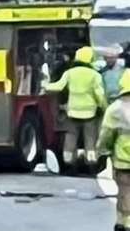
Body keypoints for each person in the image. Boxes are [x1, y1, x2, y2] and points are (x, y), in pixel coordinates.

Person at [45, 45, 108, 173]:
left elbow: (58, 86)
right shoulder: (95, 75)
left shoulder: (69, 73)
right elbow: (99, 95)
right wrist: (104, 107)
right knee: (90, 139)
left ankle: (69, 164)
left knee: (70, 139)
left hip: (72, 113)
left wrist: (45, 85)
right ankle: (91, 165)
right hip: (90, 114)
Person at [98, 81, 130, 231]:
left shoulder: (116, 109)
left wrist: (102, 150)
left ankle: (126, 223)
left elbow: (106, 133)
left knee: (125, 192)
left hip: (124, 160)